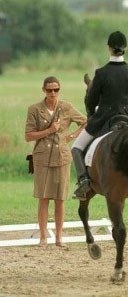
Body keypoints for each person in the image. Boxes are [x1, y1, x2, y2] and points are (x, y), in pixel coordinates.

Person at [71, 30, 128, 203]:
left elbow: (91, 100)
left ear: (109, 48)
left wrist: (94, 113)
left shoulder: (101, 73)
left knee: (76, 148)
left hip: (103, 118)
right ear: (125, 48)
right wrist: (126, 112)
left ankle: (83, 183)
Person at [25, 76, 87, 247]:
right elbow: (28, 136)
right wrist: (49, 130)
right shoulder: (34, 109)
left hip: (62, 157)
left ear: (59, 90)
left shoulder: (66, 107)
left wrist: (72, 136)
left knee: (60, 199)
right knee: (43, 198)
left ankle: (59, 238)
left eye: (56, 89)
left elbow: (86, 122)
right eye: (49, 90)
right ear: (43, 90)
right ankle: (43, 238)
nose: (53, 93)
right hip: (42, 157)